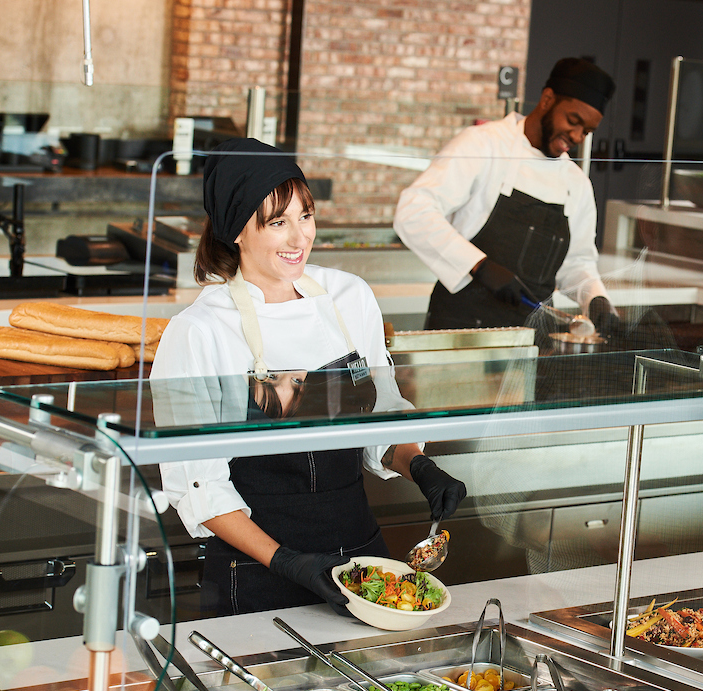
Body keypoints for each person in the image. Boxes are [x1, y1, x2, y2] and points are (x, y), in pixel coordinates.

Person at [151, 138, 467, 617]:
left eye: (306, 216)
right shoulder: (199, 330)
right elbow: (198, 485)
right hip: (258, 571)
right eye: (277, 222)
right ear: (236, 230)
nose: (299, 238)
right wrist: (287, 561)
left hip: (361, 559)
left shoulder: (349, 297)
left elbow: (381, 417)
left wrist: (419, 466)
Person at [393, 57, 621, 337]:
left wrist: (596, 299)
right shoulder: (483, 145)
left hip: (531, 340)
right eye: (573, 121)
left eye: (586, 131)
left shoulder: (577, 183)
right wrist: (479, 266)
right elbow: (413, 211)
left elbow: (576, 264)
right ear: (547, 99)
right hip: (460, 333)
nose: (576, 136)